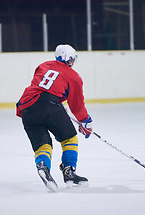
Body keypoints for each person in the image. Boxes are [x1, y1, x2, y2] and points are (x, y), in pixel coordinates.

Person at [16, 44, 93, 192]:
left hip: (27, 108)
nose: (72, 62)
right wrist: (86, 121)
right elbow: (76, 105)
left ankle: (43, 165)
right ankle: (69, 172)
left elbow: (42, 86)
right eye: (71, 59)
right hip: (49, 106)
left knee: (43, 144)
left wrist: (56, 102)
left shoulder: (43, 65)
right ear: (68, 59)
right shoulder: (74, 76)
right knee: (69, 138)